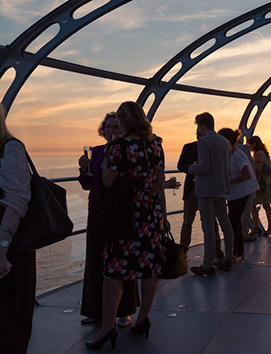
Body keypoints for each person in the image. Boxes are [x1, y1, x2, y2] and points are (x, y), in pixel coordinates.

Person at [86, 101, 167, 349]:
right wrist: (161, 214)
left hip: (125, 216)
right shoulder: (156, 146)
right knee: (149, 267)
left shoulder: (118, 148)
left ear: (125, 122)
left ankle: (107, 327)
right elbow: (159, 183)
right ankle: (143, 319)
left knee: (114, 269)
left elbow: (107, 181)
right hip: (150, 214)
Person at [78, 112, 138, 328]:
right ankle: (95, 311)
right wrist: (84, 171)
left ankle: (125, 310)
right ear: (103, 130)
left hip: (119, 211)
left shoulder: (127, 151)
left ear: (123, 129)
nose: (112, 131)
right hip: (97, 210)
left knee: (121, 260)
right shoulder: (97, 151)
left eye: (116, 127)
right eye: (108, 127)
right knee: (95, 259)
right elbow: (88, 184)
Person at [0, 105, 34, 354]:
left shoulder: (11, 148)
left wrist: (2, 248)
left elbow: (16, 200)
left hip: (11, 246)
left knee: (9, 316)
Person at [189, 112, 234, 276]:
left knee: (208, 227)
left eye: (198, 126)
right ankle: (228, 257)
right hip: (221, 187)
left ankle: (207, 264)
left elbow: (204, 167)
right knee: (225, 223)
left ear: (202, 125)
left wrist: (191, 168)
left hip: (206, 190)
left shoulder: (204, 142)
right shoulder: (225, 142)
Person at [177, 134, 224, 258]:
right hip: (201, 188)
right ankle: (215, 248)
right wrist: (193, 168)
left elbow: (181, 165)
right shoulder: (207, 147)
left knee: (190, 220)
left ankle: (184, 249)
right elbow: (180, 165)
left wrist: (191, 168)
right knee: (206, 220)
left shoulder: (190, 147)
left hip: (199, 188)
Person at [218, 128, 259, 261]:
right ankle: (239, 251)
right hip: (236, 193)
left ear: (228, 141)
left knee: (232, 222)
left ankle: (234, 252)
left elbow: (246, 174)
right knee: (234, 221)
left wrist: (229, 181)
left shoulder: (237, 155)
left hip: (241, 192)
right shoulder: (230, 153)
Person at [248, 136, 271, 237]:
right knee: (265, 205)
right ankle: (268, 227)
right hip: (265, 183)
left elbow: (251, 164)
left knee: (254, 205)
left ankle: (257, 227)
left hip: (261, 184)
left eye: (250, 144)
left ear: (254, 144)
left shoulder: (258, 153)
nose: (249, 146)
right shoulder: (264, 153)